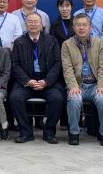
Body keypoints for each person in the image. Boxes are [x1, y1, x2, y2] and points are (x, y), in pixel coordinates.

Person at [9, 12, 64, 143]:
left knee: (58, 99)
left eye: (36, 22)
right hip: (27, 82)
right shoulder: (19, 42)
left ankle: (49, 132)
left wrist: (46, 81)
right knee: (15, 98)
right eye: (30, 21)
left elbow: (57, 63)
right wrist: (27, 81)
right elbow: (15, 65)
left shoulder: (52, 41)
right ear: (25, 24)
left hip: (47, 82)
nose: (33, 24)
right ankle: (26, 132)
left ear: (42, 25)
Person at [61, 13, 103, 146]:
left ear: (90, 27)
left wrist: (102, 85)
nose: (81, 28)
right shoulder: (67, 45)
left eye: (84, 25)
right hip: (78, 85)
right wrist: (73, 86)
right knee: (74, 100)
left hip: (95, 85)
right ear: (73, 27)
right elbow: (67, 69)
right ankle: (74, 133)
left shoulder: (100, 43)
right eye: (78, 25)